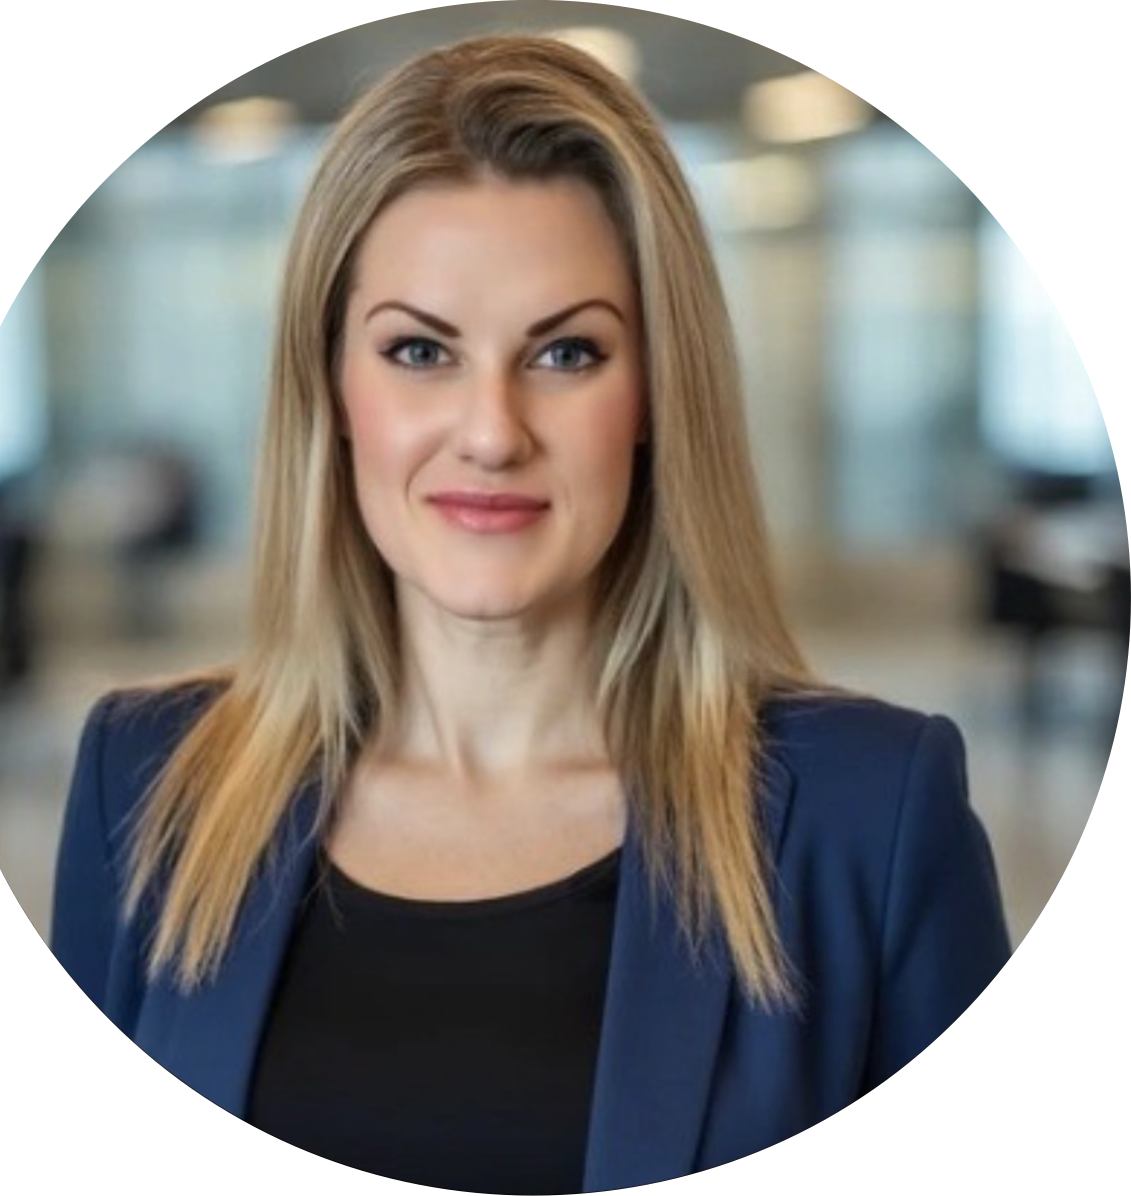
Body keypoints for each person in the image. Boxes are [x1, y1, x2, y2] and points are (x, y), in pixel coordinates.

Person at [51, 35, 1010, 1194]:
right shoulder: (145, 786)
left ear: (656, 390)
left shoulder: (869, 817)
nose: (492, 429)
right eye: (418, 350)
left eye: (565, 351)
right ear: (332, 390)